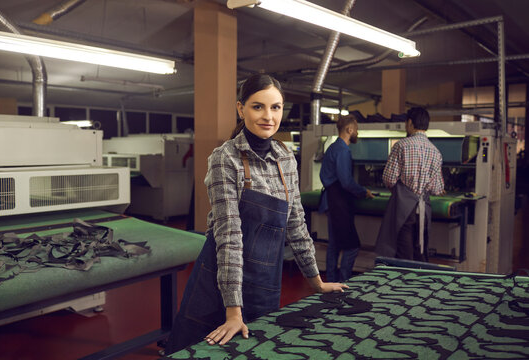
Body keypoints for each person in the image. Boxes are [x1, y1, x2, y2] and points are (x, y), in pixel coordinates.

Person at [165, 74, 348, 355]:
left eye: (275, 107)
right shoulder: (225, 159)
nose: (268, 116)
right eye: (257, 107)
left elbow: (297, 224)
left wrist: (316, 282)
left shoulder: (285, 158)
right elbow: (229, 236)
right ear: (241, 109)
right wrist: (233, 312)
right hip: (218, 282)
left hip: (264, 283)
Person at [375, 107, 445, 261]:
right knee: (419, 252)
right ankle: (418, 284)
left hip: (403, 209)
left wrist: (401, 192)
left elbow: (389, 178)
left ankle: (402, 284)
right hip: (423, 211)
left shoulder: (401, 146)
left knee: (403, 254)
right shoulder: (436, 152)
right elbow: (437, 188)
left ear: (410, 123)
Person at [319, 115, 374, 282]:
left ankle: (331, 282)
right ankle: (344, 282)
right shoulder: (343, 151)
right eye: (356, 129)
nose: (357, 132)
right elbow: (347, 182)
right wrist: (364, 192)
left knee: (334, 246)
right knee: (352, 246)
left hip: (330, 201)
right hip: (339, 204)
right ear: (349, 130)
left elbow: (325, 176)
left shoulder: (332, 147)